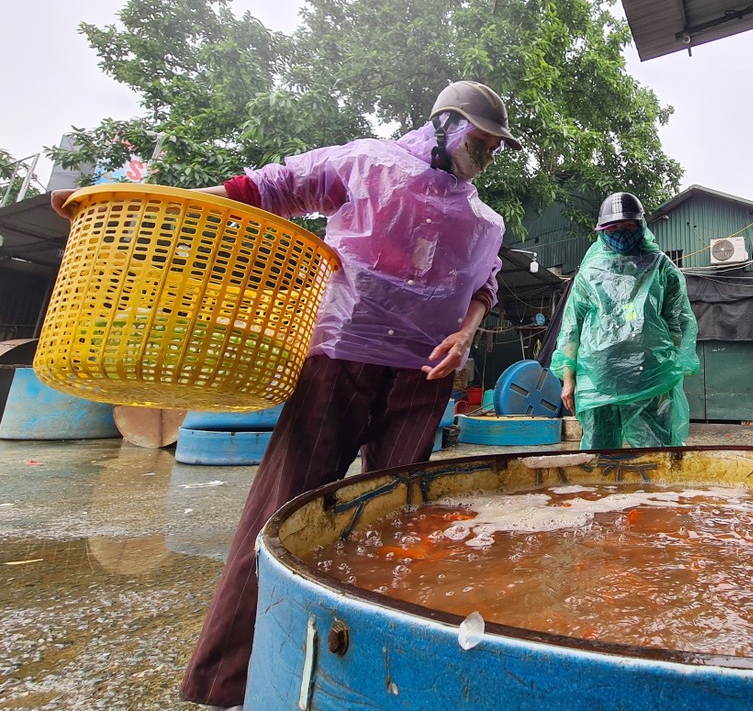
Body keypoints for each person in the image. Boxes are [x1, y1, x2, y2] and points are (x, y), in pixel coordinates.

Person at [53, 80, 521, 710]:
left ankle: (371, 678)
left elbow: (484, 287)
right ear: (442, 125)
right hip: (338, 362)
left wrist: (465, 339)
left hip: (423, 378)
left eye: (495, 147)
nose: (486, 155)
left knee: (396, 520)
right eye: (480, 140)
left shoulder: (483, 220)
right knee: (280, 513)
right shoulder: (367, 163)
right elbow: (269, 188)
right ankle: (224, 683)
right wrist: (157, 202)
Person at [552, 192, 699, 449]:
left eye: (628, 226)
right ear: (603, 230)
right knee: (600, 455)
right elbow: (572, 326)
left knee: (656, 453)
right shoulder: (590, 272)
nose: (621, 232)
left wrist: (669, 375)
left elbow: (676, 324)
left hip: (650, 375)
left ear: (640, 226)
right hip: (599, 376)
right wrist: (569, 378)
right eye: (614, 227)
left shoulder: (662, 267)